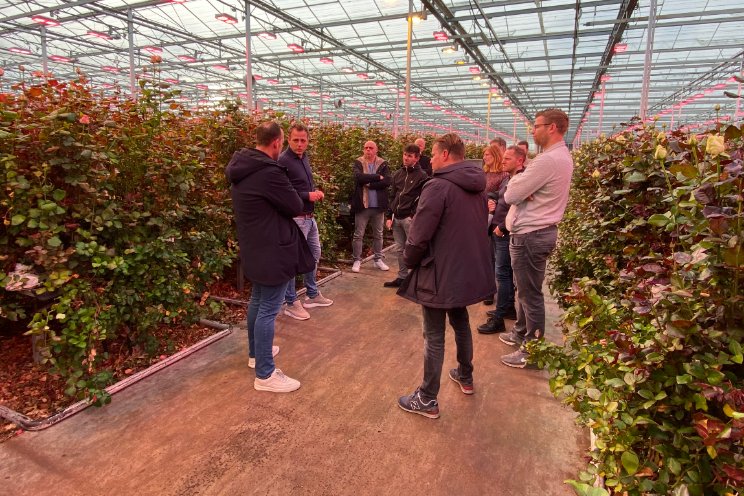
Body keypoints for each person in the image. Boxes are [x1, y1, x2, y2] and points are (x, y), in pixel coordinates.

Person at [396, 133, 496, 419]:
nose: (431, 159)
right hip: (464, 269)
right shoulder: (478, 185)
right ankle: (465, 375)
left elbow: (419, 234)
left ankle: (427, 398)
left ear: (444, 154)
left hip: (439, 271)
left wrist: (410, 260)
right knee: (460, 320)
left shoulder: (438, 186)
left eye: (434, 155)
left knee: (434, 333)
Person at [225, 121, 315, 393]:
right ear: (277, 142)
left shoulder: (242, 167)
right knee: (268, 309)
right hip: (273, 248)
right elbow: (294, 204)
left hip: (255, 246)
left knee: (258, 300)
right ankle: (265, 374)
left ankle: (256, 355)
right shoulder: (269, 172)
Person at [499, 109, 574, 368]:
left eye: (537, 125)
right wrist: (522, 185)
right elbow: (518, 191)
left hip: (531, 236)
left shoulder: (547, 161)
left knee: (530, 295)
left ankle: (532, 350)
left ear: (552, 127)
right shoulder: (559, 157)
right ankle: (521, 332)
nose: (533, 131)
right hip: (537, 233)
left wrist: (519, 184)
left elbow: (510, 195)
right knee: (525, 290)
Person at [279, 122, 334, 321]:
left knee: (314, 254)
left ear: (308, 141)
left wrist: (314, 192)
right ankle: (291, 302)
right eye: (296, 140)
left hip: (309, 218)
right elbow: (283, 191)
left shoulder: (304, 158)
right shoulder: (283, 160)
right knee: (293, 261)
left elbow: (301, 184)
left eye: (303, 140)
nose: (300, 144)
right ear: (288, 140)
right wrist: (307, 195)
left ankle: (312, 294)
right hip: (295, 218)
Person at [477, 145, 526, 334]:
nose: (503, 161)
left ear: (519, 161)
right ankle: (508, 309)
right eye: (503, 158)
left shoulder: (519, 180)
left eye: (507, 159)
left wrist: (501, 227)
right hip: (498, 228)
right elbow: (501, 198)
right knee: (503, 272)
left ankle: (499, 318)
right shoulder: (511, 178)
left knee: (503, 274)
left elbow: (516, 208)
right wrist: (493, 200)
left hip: (503, 231)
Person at [384, 144, 429, 288]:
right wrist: (389, 216)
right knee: (400, 249)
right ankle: (402, 277)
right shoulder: (398, 174)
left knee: (414, 249)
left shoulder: (422, 176)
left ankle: (416, 279)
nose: (406, 158)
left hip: (410, 219)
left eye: (410, 156)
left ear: (417, 158)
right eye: (405, 154)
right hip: (396, 218)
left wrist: (413, 215)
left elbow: (423, 198)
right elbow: (392, 196)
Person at [350, 141, 392, 273]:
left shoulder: (383, 163)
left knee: (378, 234)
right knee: (358, 234)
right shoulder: (358, 162)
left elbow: (387, 181)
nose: (368, 150)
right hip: (363, 205)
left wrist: (370, 184)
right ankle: (357, 260)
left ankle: (378, 259)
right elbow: (358, 177)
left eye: (371, 148)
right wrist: (376, 177)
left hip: (378, 206)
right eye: (366, 148)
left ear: (376, 150)